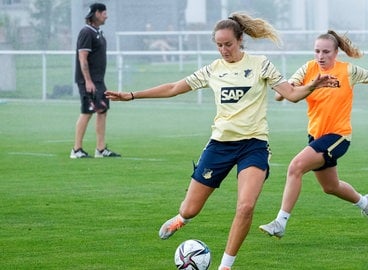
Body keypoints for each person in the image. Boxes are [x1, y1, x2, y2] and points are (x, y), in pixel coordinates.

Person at [105, 13, 338, 270]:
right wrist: (131, 95)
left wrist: (313, 85)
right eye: (219, 45)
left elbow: (292, 94)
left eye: (228, 44)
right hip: (219, 146)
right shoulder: (213, 70)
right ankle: (182, 218)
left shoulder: (261, 65)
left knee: (246, 206)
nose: (223, 49)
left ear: (240, 40)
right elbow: (174, 88)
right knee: (192, 209)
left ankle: (225, 266)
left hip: (253, 145)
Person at [259, 30, 368, 238]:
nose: (321, 56)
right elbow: (280, 95)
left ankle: (280, 222)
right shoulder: (308, 68)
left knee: (295, 167)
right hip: (316, 136)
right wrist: (307, 86)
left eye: (326, 52)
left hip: (338, 136)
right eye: (317, 51)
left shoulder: (348, 71)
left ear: (336, 52)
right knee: (330, 187)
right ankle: (365, 202)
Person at [70, 3, 120, 159]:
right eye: (104, 13)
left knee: (102, 111)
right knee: (87, 112)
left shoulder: (98, 32)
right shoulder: (86, 32)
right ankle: (76, 149)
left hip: (98, 81)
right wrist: (88, 81)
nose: (107, 16)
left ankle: (100, 149)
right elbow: (82, 58)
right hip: (89, 81)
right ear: (97, 13)